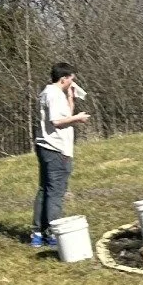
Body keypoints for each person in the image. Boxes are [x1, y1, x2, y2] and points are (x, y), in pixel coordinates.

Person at [32, 63, 90, 248]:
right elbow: (57, 122)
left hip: (46, 146)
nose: (72, 82)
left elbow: (64, 115)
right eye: (71, 79)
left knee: (45, 190)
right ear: (63, 78)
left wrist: (71, 98)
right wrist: (78, 118)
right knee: (55, 192)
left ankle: (37, 233)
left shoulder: (50, 93)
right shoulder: (54, 95)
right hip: (56, 149)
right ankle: (51, 233)